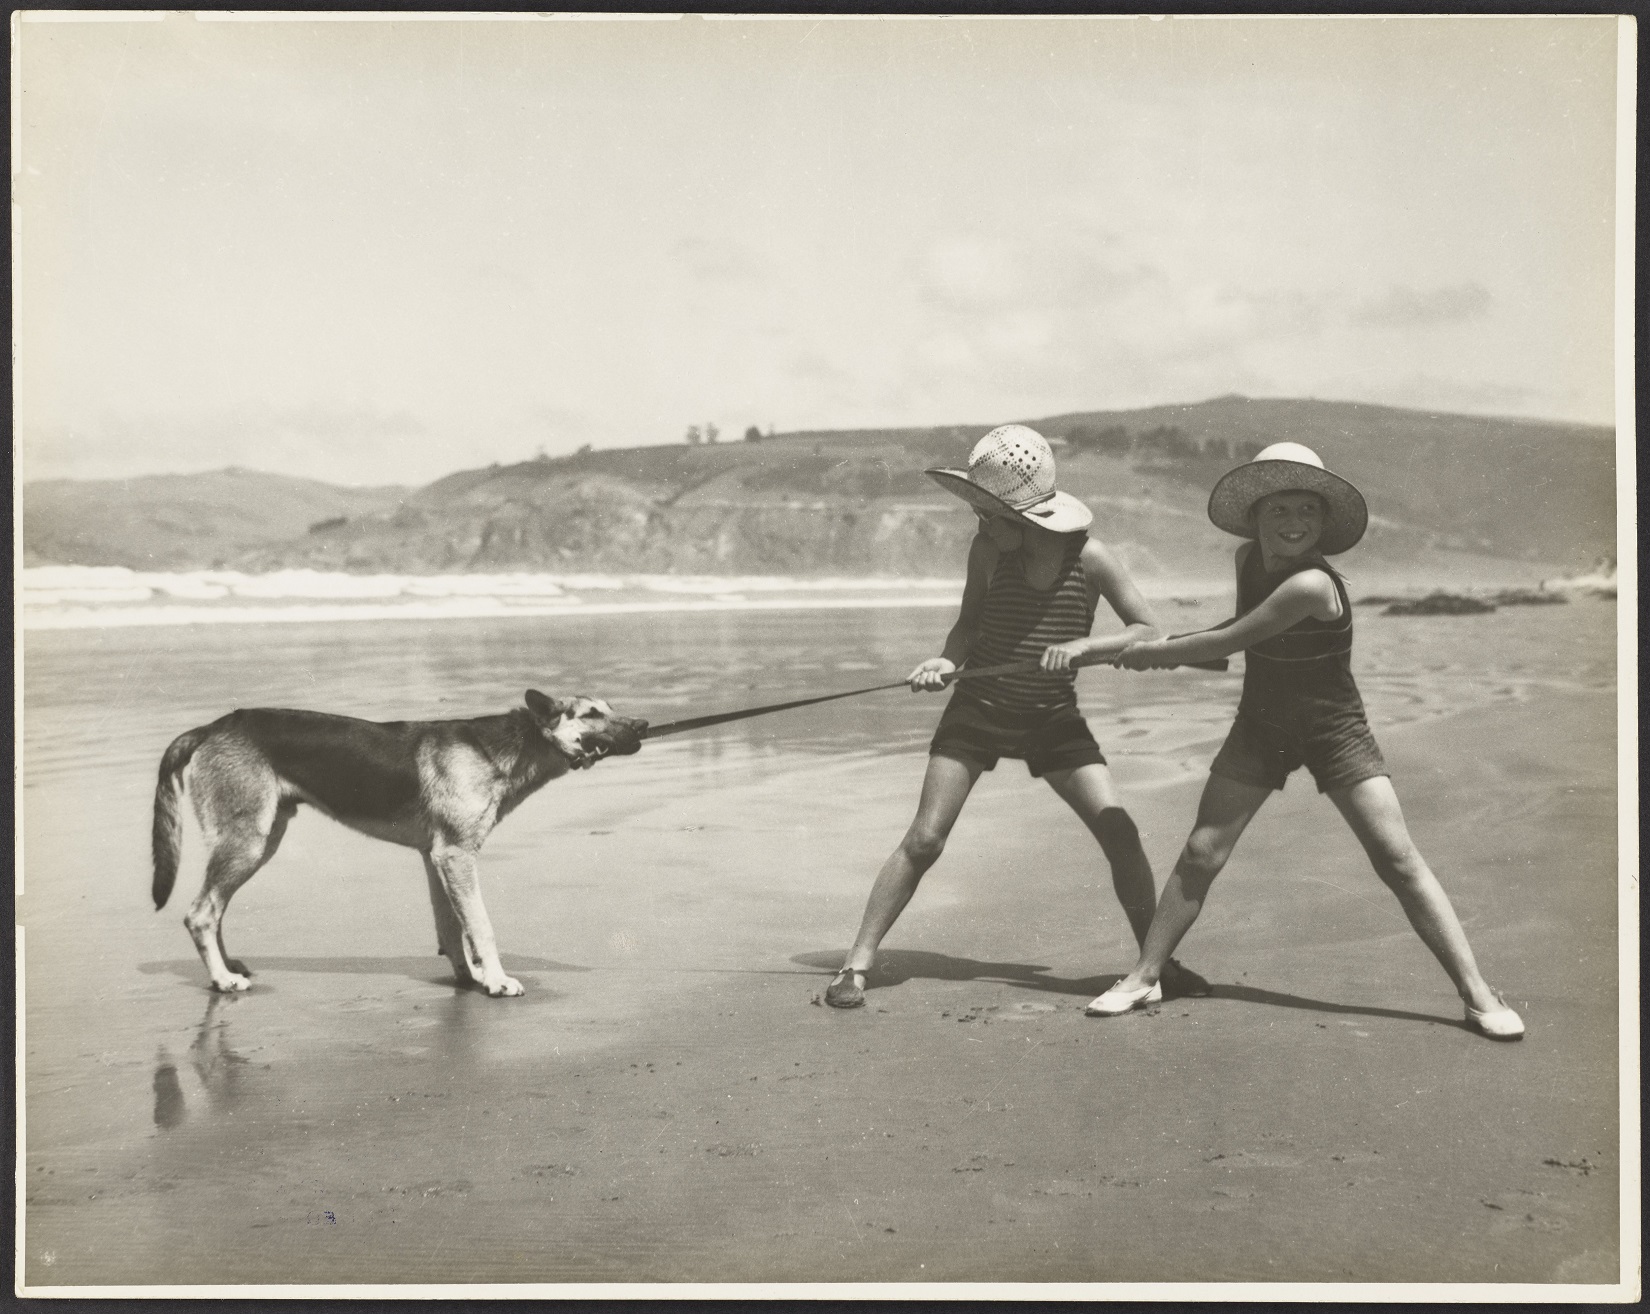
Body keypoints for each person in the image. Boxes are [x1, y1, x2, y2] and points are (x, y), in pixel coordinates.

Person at [1086, 442, 1524, 1041]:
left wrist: (1155, 655)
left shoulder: (1314, 585)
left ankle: (1478, 994)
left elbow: (1233, 639)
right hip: (1261, 724)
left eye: (1307, 512)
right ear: (1258, 518)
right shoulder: (1247, 561)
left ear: (1323, 522)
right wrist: (1160, 652)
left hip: (1334, 729)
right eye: (1279, 512)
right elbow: (1234, 637)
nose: (1293, 525)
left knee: (1397, 860)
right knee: (1201, 853)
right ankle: (1143, 976)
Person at [824, 425, 1210, 1008]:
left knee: (1121, 833)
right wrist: (943, 661)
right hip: (977, 710)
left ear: (1029, 517)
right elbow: (968, 626)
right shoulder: (986, 551)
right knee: (926, 839)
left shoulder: (1091, 559)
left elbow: (1147, 629)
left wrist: (1086, 647)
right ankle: (855, 967)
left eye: (989, 515)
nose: (979, 525)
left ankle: (1156, 965)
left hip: (1053, 717)